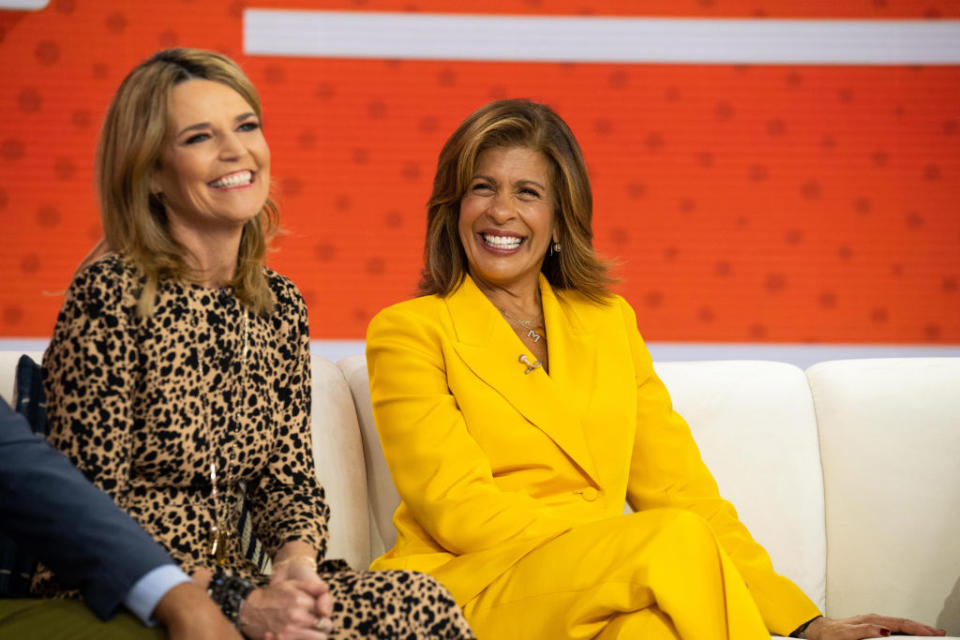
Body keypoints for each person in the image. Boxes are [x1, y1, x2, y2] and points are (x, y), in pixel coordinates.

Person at [364, 99, 947, 639]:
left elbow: (682, 492)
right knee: (671, 541)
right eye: (482, 188)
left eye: (528, 193)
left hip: (602, 586)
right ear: (454, 208)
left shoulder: (608, 322)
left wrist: (804, 623)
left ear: (561, 219)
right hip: (473, 589)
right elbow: (459, 509)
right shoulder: (410, 331)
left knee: (651, 627)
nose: (501, 210)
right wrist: (622, 545)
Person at [38, 48, 474, 640]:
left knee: (417, 601)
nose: (235, 150)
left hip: (243, 580)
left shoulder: (278, 307)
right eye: (199, 137)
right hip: (140, 588)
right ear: (152, 173)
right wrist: (231, 600)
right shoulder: (110, 295)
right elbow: (82, 519)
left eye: (246, 127)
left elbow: (287, 480)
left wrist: (295, 568)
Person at [0, 398, 240, 638]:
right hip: (110, 572)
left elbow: (20, 464)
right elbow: (89, 486)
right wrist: (212, 597)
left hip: (183, 571)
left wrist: (278, 574)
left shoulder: (265, 369)